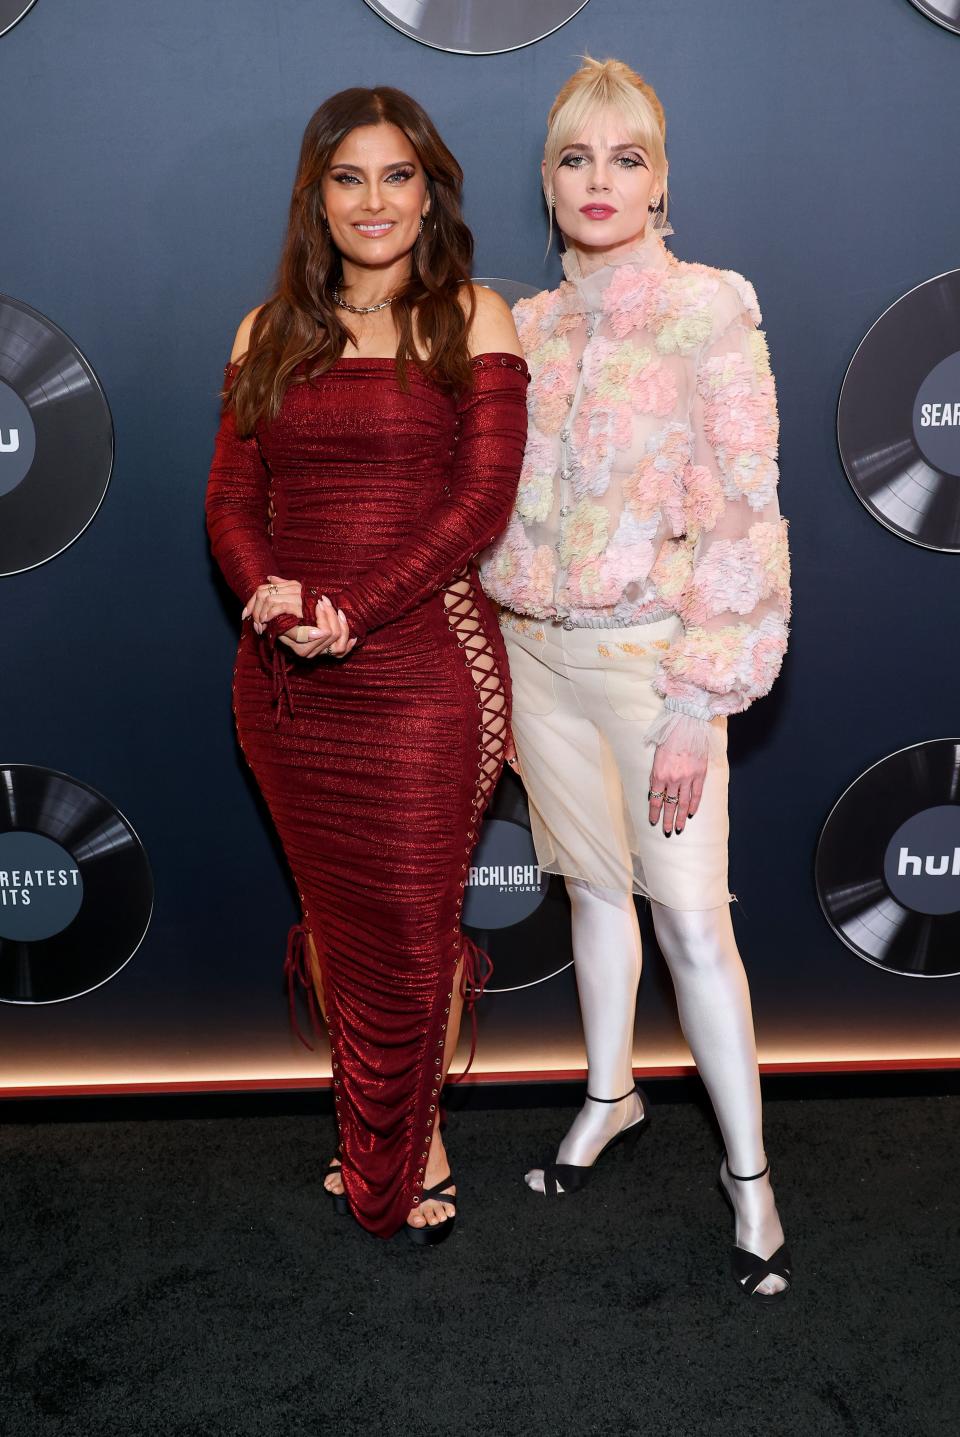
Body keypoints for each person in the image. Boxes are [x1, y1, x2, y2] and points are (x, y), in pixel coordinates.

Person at [480, 57, 792, 1299]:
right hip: (535, 657)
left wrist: (696, 698)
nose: (597, 181)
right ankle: (611, 1098)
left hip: (651, 663)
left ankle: (752, 1179)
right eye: (574, 158)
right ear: (547, 182)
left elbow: (746, 512)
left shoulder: (710, 308)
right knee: (591, 895)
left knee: (692, 924)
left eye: (626, 158)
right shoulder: (526, 325)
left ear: (662, 183)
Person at [205, 86, 528, 1244]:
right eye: (350, 178)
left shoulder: (473, 318)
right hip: (289, 681)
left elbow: (478, 504)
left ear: (430, 189)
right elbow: (233, 497)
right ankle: (367, 1128)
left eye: (398, 176)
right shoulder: (268, 331)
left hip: (426, 672)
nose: (374, 201)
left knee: (413, 922)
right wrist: (268, 594)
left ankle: (413, 1133)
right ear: (318, 196)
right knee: (341, 923)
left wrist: (355, 607)